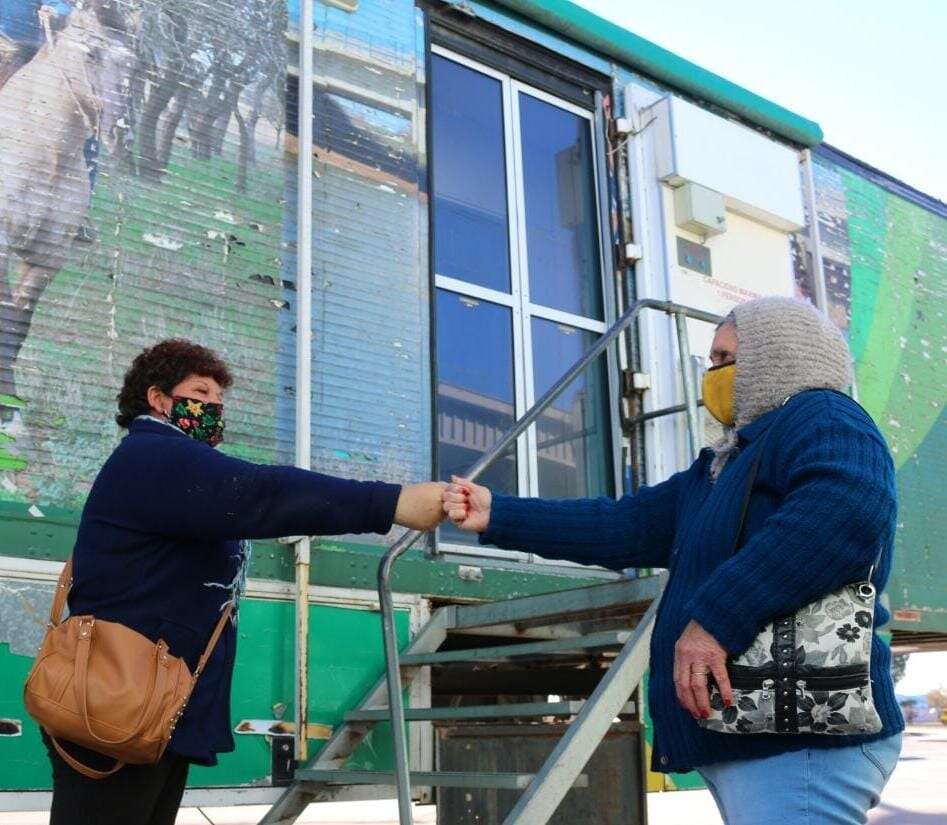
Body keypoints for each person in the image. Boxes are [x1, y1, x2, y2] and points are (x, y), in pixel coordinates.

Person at [444, 296, 903, 825]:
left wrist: (714, 619)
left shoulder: (823, 415)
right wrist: (497, 514)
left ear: (778, 355)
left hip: (800, 743)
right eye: (711, 362)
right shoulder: (724, 466)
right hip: (765, 735)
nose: (713, 375)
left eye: (726, 358)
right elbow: (623, 525)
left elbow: (845, 514)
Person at [44, 339, 446, 825]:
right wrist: (391, 502)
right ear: (157, 398)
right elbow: (264, 493)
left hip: (146, 705)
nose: (213, 405)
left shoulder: (167, 465)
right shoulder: (152, 456)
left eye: (219, 398)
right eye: (200, 391)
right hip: (115, 706)